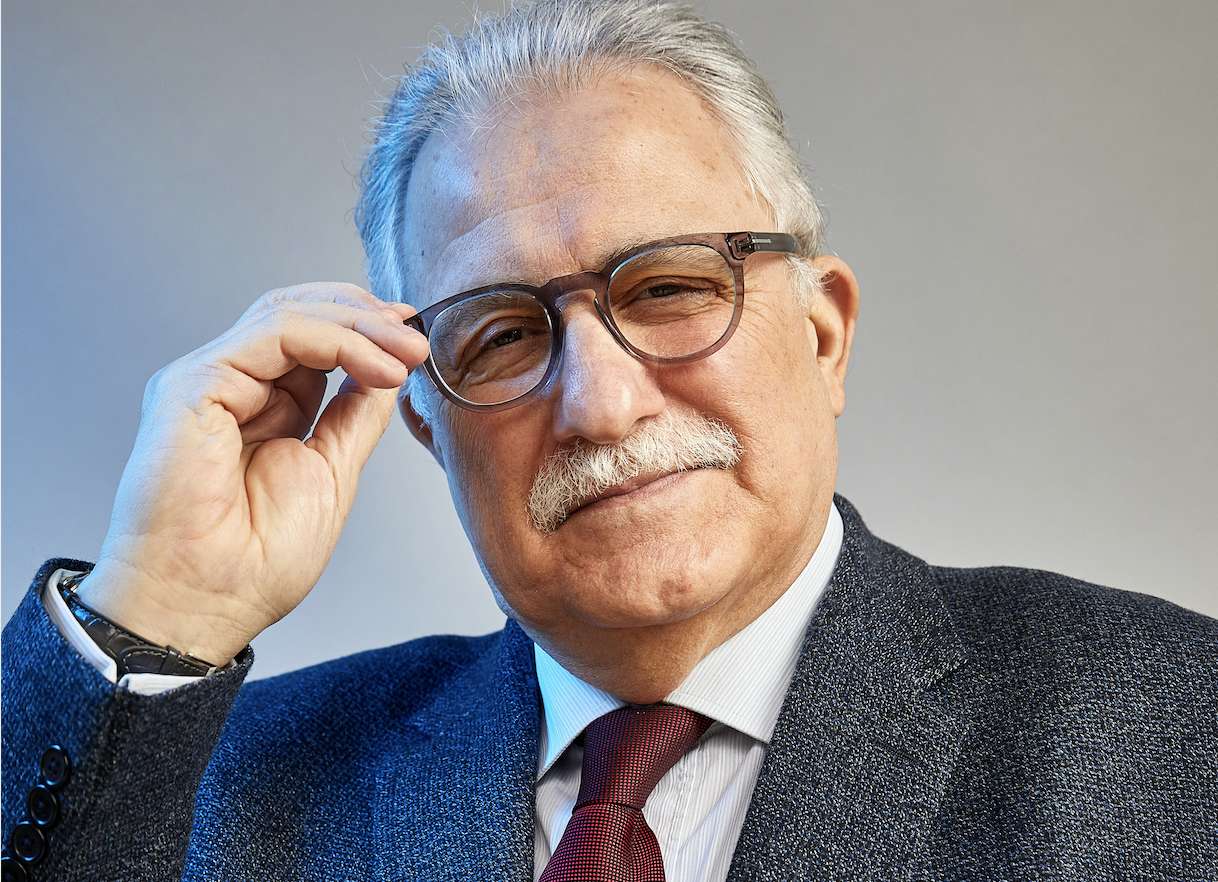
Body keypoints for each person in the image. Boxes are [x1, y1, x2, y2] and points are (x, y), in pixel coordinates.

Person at [2, 1, 1215, 879]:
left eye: (670, 288)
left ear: (824, 334)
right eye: (500, 336)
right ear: (427, 425)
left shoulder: (1172, 729)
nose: (601, 403)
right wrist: (162, 608)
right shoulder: (225, 789)